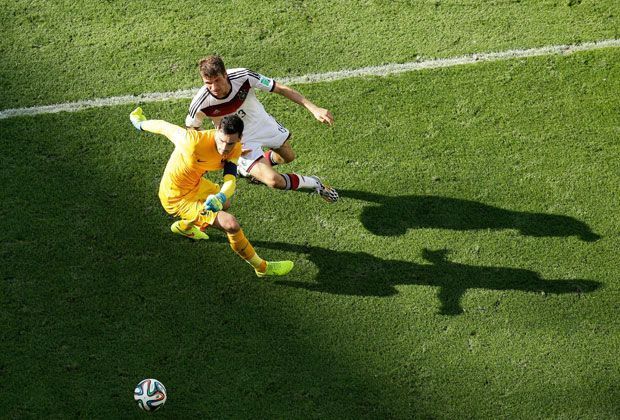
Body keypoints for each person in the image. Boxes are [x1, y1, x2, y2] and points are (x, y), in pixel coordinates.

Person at [129, 107, 294, 278]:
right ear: (216, 131)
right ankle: (262, 267)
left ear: (240, 139)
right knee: (230, 224)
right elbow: (163, 127)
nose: (224, 148)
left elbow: (230, 180)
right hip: (176, 197)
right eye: (221, 141)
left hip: (196, 185)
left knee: (226, 203)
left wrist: (221, 196)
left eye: (230, 143)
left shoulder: (235, 148)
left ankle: (185, 227)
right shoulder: (192, 141)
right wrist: (140, 123)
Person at [185, 55, 339, 203]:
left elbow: (280, 88)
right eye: (208, 83)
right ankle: (315, 183)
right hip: (240, 141)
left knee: (288, 157)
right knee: (273, 180)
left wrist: (314, 108)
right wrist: (219, 145)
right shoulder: (201, 102)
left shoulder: (243, 76)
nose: (214, 87)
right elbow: (192, 132)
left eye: (217, 80)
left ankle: (245, 170)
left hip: (263, 124)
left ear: (225, 74)